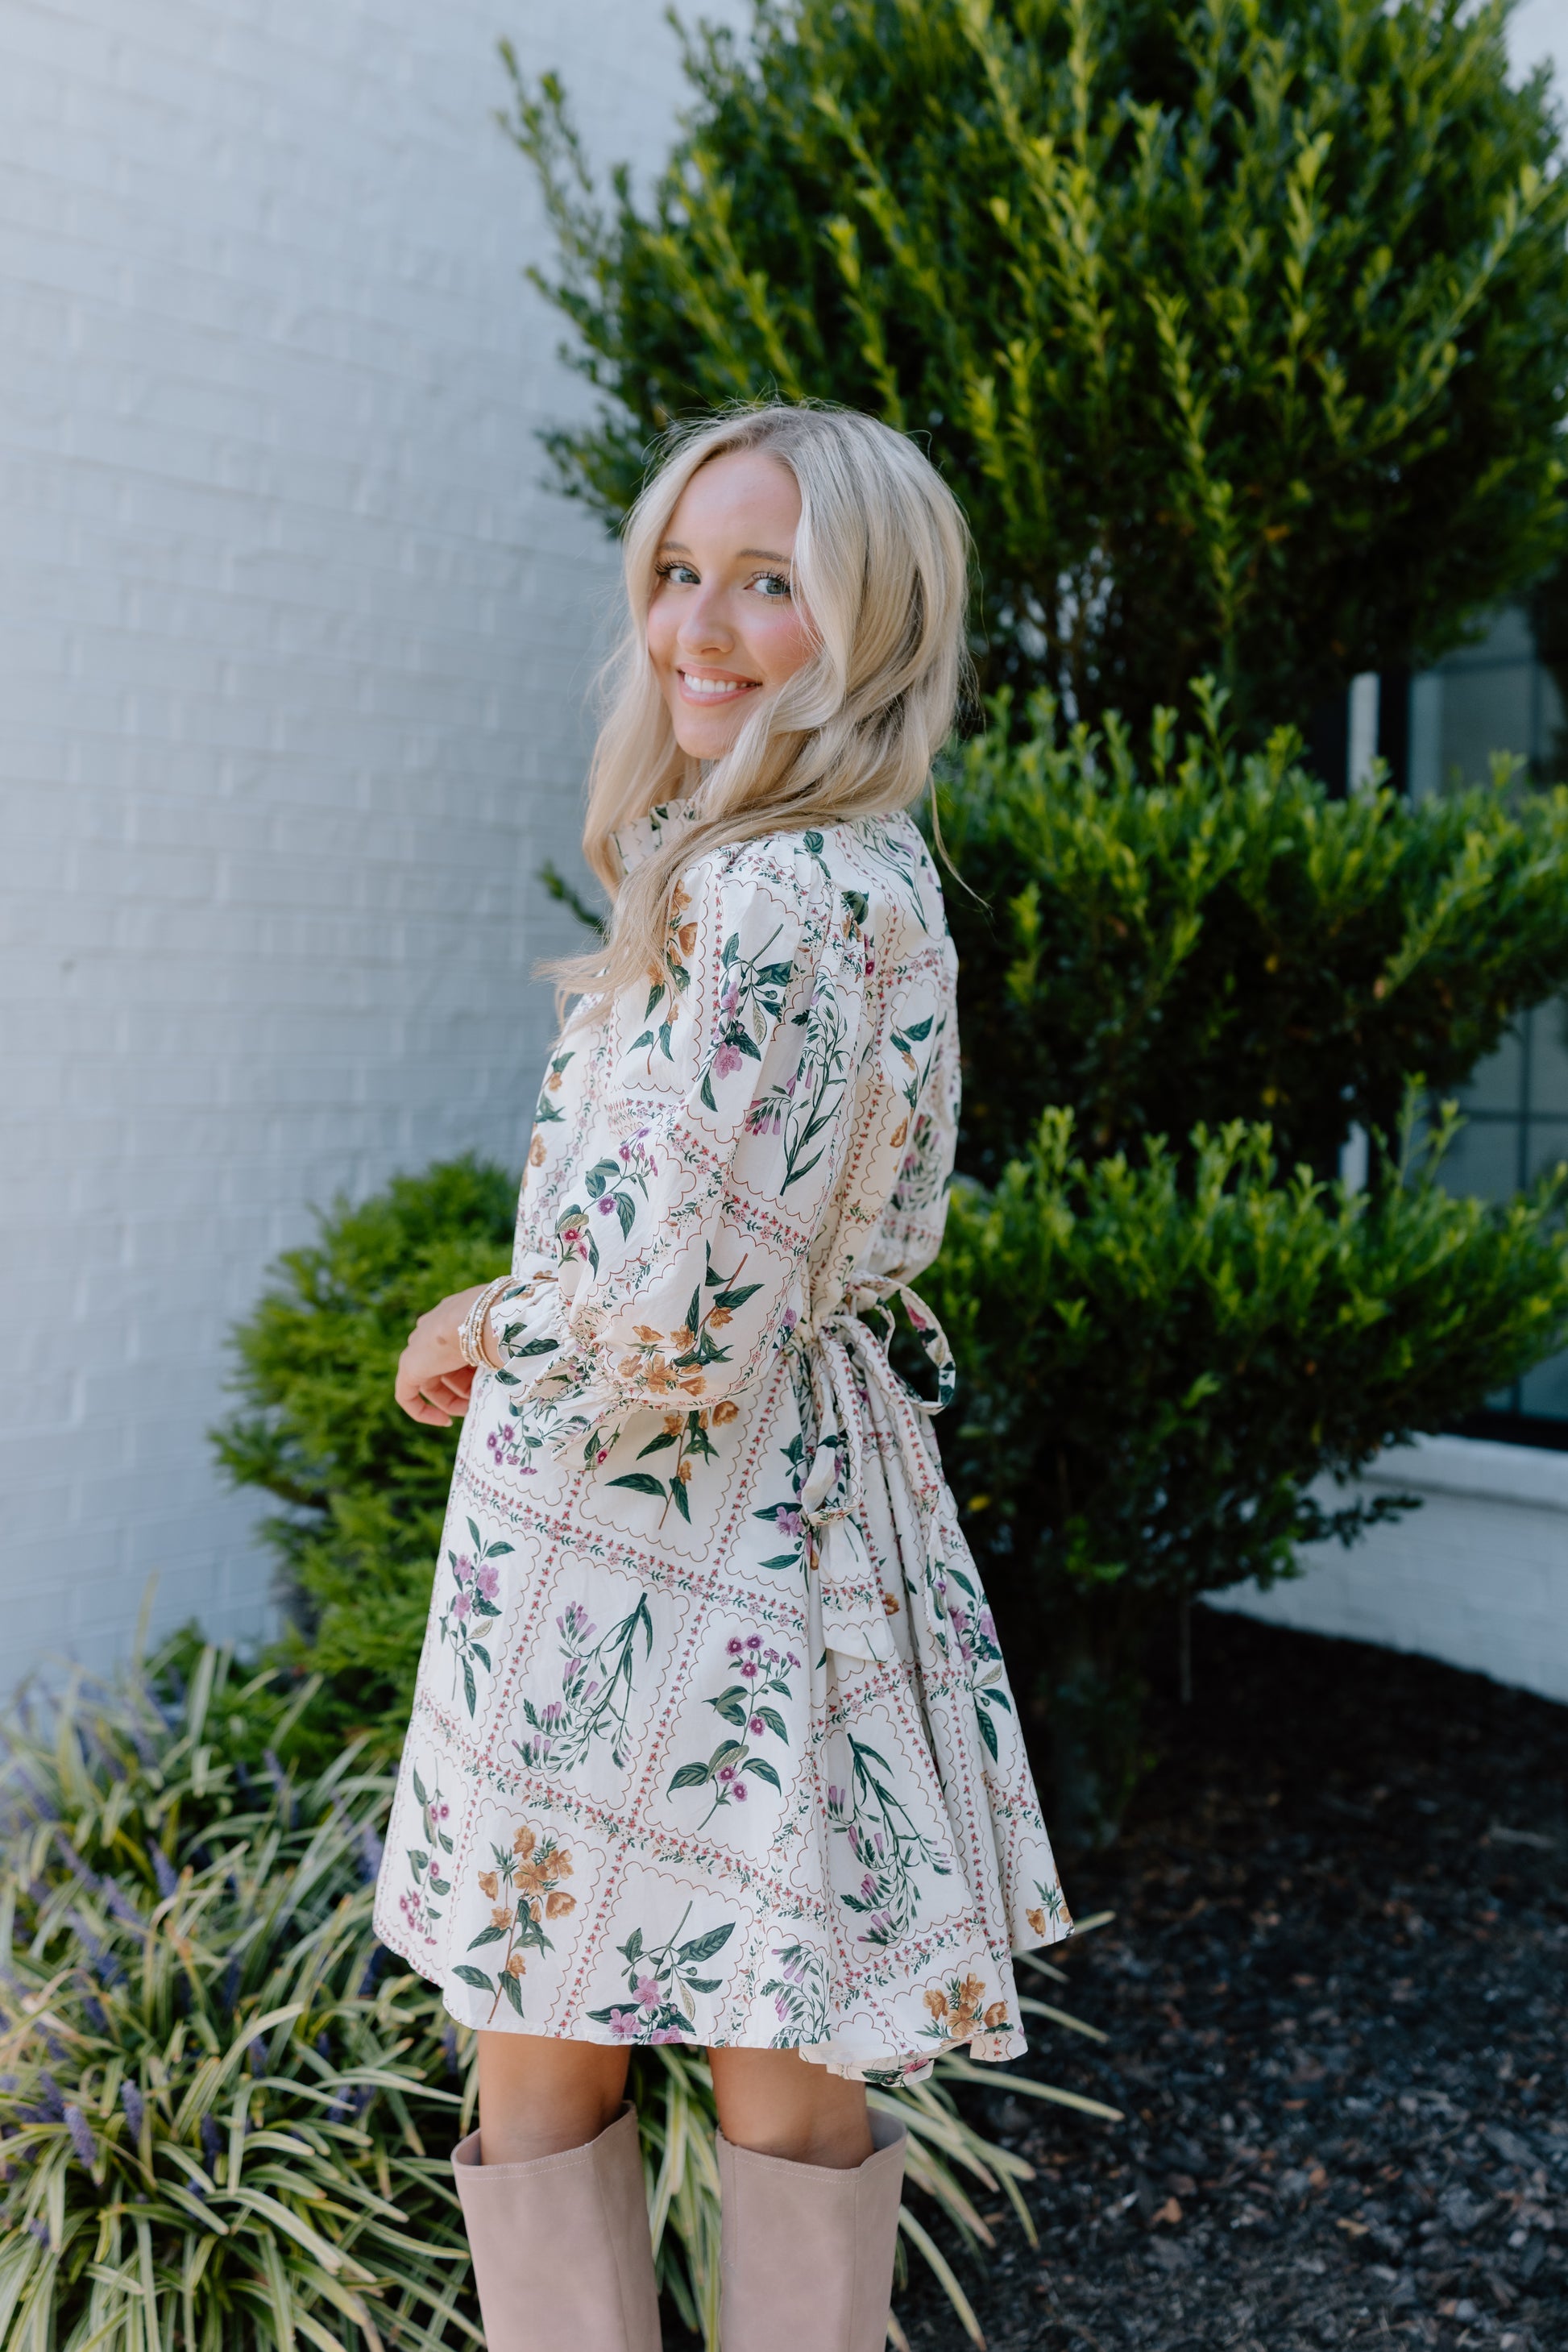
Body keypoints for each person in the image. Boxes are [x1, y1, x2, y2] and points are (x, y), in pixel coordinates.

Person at [377, 402, 1069, 2352]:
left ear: (873, 616)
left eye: (768, 582)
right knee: (787, 2048)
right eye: (679, 572)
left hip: (638, 1527)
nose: (697, 625)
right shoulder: (871, 872)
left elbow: (670, 1321)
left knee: (543, 2051)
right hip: (802, 1504)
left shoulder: (757, 892)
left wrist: (479, 1321)